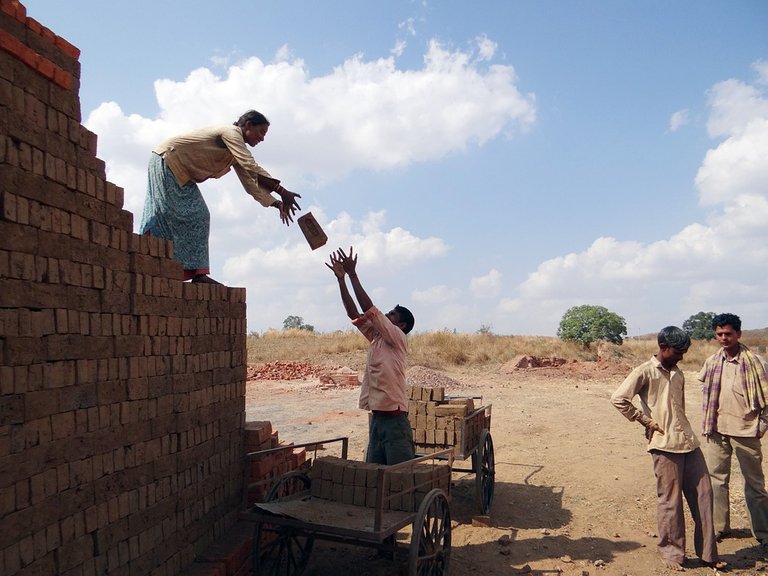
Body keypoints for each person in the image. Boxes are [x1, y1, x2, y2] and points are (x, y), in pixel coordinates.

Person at [139, 109, 301, 284]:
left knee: (199, 216)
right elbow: (249, 164)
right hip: (168, 160)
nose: (262, 138)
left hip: (182, 173)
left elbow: (250, 182)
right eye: (261, 132)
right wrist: (282, 191)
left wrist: (277, 204)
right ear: (248, 125)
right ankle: (146, 257)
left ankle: (196, 273)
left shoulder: (235, 151)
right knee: (165, 213)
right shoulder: (231, 133)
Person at [611, 326, 721, 571]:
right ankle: (672, 554)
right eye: (678, 352)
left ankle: (708, 553)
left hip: (689, 443)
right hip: (664, 445)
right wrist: (646, 421)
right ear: (663, 348)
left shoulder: (678, 373)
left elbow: (678, 409)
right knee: (670, 503)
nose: (681, 356)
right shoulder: (645, 371)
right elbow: (618, 398)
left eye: (684, 352)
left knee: (704, 496)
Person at [326, 246, 415, 465]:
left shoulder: (397, 338)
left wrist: (354, 274)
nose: (387, 314)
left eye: (392, 314)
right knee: (374, 472)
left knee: (399, 473)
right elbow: (354, 313)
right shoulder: (377, 338)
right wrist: (341, 280)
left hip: (395, 419)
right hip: (377, 417)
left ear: (401, 325)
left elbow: (368, 308)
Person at [699, 312, 768, 547]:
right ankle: (720, 528)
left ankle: (763, 533)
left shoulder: (757, 363)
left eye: (728, 333)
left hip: (747, 431)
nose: (723, 338)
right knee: (716, 481)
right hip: (717, 430)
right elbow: (706, 393)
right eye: (719, 334)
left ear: (738, 334)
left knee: (755, 485)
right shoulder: (711, 362)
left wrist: (763, 424)